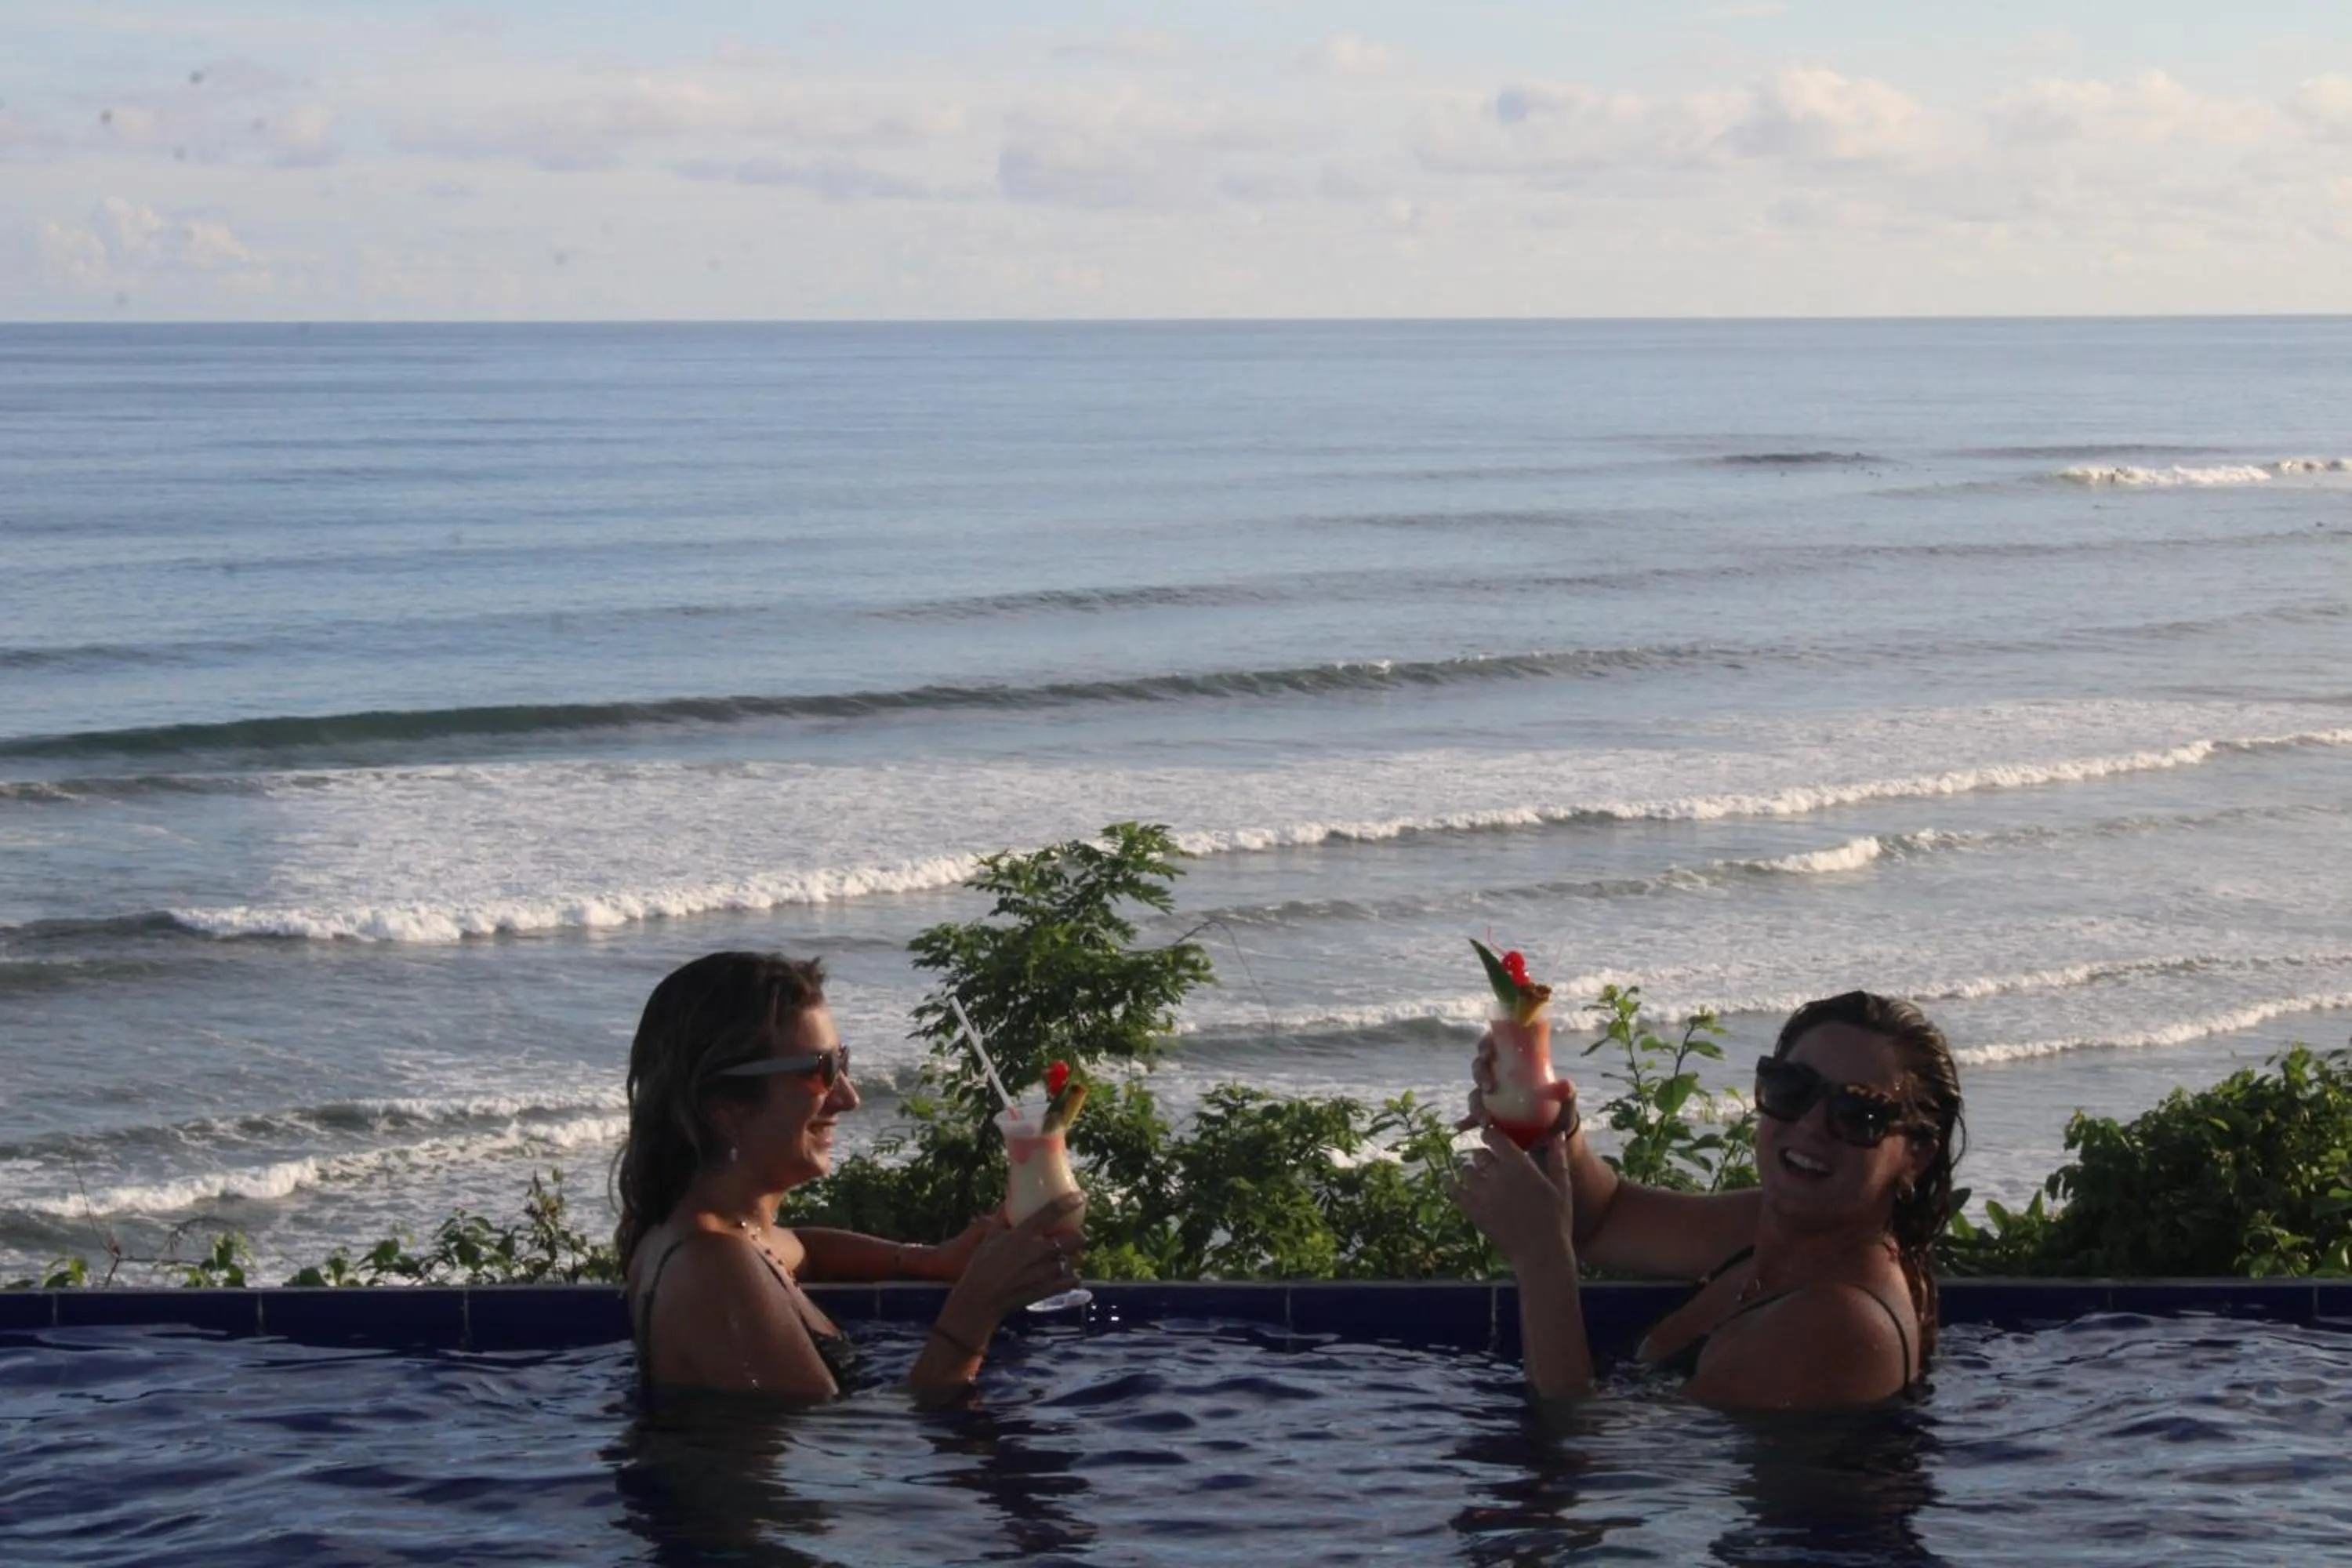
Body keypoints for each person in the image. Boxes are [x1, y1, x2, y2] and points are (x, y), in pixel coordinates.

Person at [1446, 990, 1964, 1410]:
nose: (1811, 1126)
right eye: (1792, 1088)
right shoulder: (1772, 1228)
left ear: (1915, 1155)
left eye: (1857, 1114)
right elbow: (1603, 1218)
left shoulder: (1840, 1323)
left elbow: (1587, 1455)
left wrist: (1540, 1259)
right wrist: (1552, 1130)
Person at [615, 950, 1081, 1402]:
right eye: (821, 1071)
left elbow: (800, 1249)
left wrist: (928, 1260)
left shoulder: (717, 1234)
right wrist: (976, 1309)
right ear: (726, 1107)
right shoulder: (713, 1270)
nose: (849, 1097)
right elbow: (846, 1438)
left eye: (843, 1062)